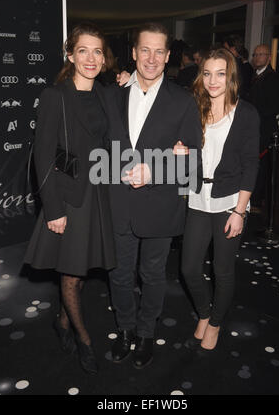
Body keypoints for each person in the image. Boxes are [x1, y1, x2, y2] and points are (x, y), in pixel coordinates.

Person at [103, 22, 202, 369]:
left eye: (159, 51)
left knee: (153, 274)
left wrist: (156, 171)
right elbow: (100, 151)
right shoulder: (111, 96)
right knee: (118, 274)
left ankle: (146, 334)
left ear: (168, 56)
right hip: (118, 205)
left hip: (160, 205)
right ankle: (125, 331)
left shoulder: (183, 101)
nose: (151, 58)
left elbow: (194, 166)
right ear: (133, 53)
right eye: (145, 49)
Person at [24, 22, 116, 374]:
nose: (90, 58)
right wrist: (54, 209)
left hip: (99, 195)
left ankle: (61, 322)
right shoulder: (55, 96)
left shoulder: (107, 94)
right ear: (70, 55)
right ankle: (84, 340)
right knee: (72, 273)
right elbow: (43, 156)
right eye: (83, 50)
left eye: (97, 51)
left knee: (80, 272)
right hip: (70, 197)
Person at [179, 47, 259, 351]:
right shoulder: (194, 108)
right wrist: (180, 150)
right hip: (198, 197)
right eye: (208, 73)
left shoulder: (246, 113)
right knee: (188, 267)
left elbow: (252, 163)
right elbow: (184, 147)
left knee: (222, 270)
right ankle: (203, 312)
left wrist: (240, 211)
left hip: (229, 201)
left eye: (221, 73)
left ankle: (214, 323)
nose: (213, 80)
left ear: (231, 77)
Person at [250, 44, 279, 210]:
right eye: (255, 54)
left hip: (265, 129)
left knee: (262, 165)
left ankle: (257, 199)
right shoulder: (254, 75)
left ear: (269, 57)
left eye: (261, 54)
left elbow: (273, 106)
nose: (257, 57)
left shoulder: (272, 78)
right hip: (255, 128)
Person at [223, 34, 252, 100]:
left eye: (225, 49)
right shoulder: (239, 63)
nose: (224, 52)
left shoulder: (236, 65)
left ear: (233, 49)